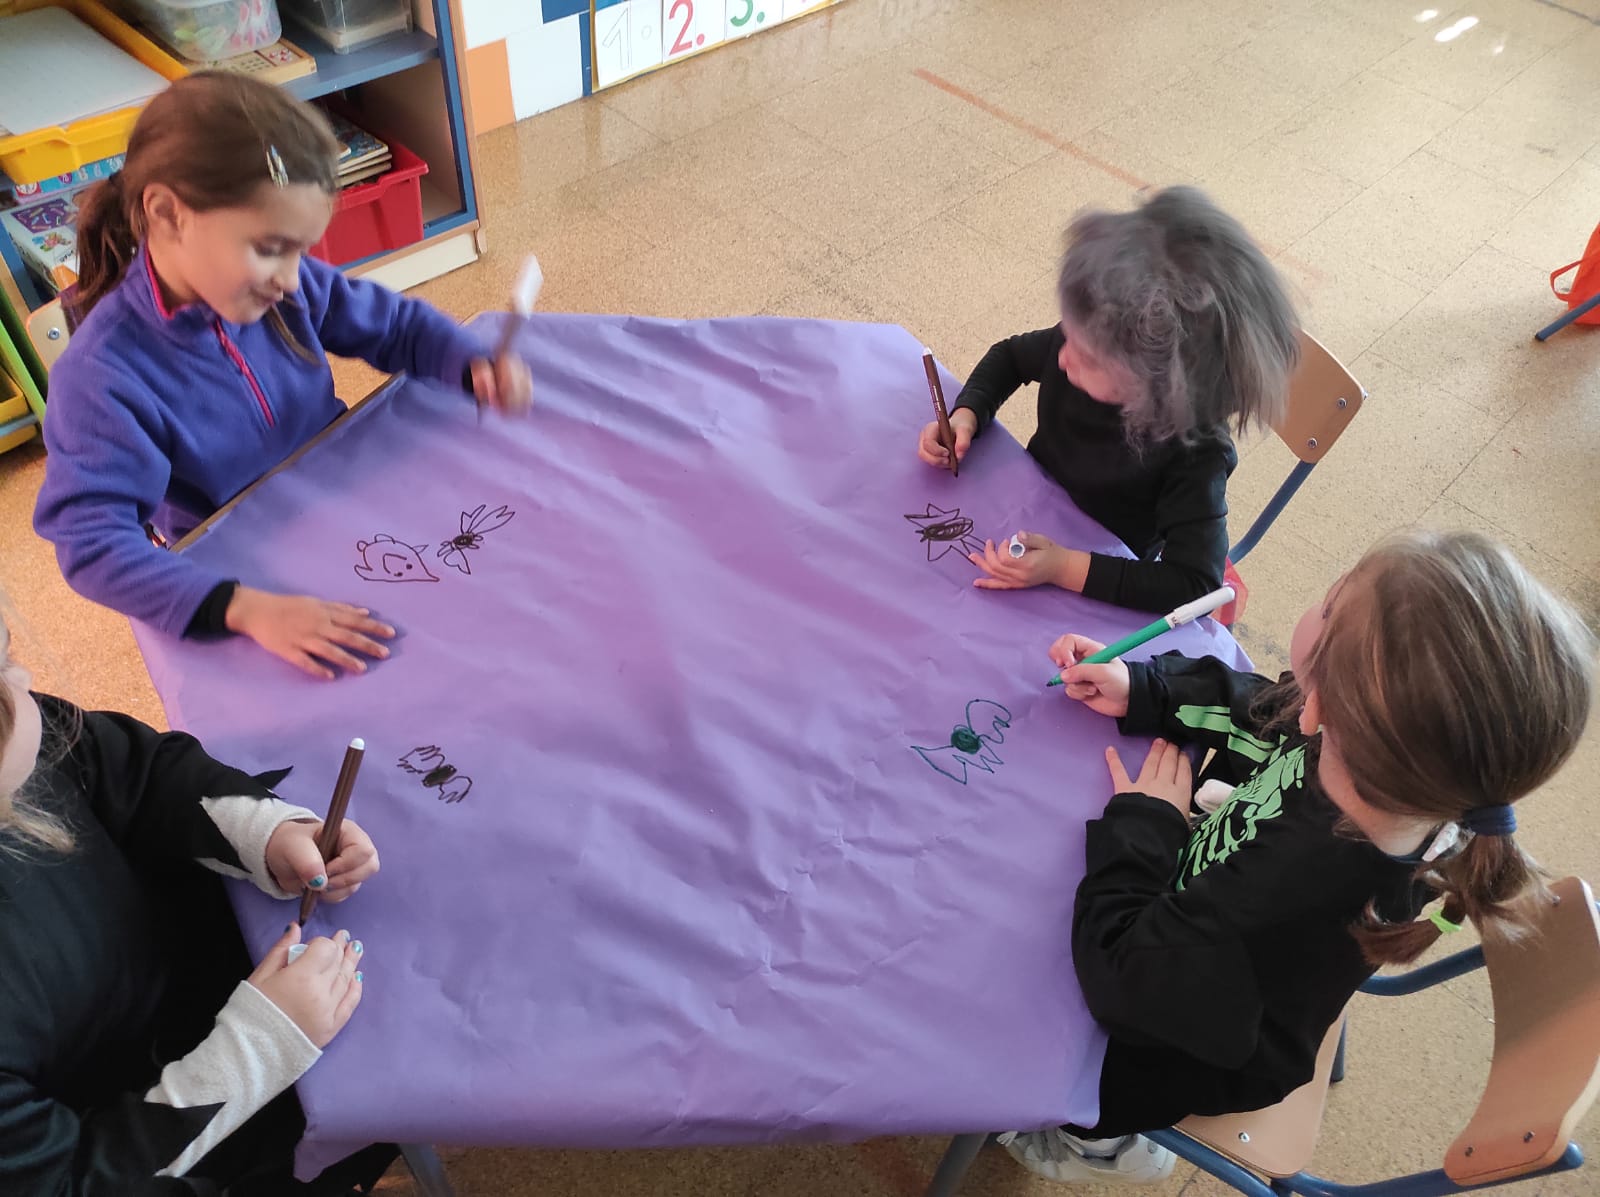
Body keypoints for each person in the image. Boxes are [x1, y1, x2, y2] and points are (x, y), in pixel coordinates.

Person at [1001, 530, 1596, 1184]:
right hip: (1207, 955)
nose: (1319, 602)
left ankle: (1097, 1143)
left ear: (1326, 706)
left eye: (1331, 605)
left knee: (1017, 1005)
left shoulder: (1286, 886)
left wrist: (1147, 824)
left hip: (1181, 1047)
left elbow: (1118, 976)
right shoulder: (1407, 781)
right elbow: (1265, 710)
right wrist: (1145, 689)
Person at [33, 72, 533, 681]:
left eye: (301, 249)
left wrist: (468, 363)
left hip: (349, 499)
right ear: (166, 215)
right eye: (271, 248)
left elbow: (394, 326)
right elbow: (93, 546)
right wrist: (245, 609)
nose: (294, 278)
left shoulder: (284, 286)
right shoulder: (100, 380)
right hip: (248, 571)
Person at [0, 617, 390, 1194]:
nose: (24, 680)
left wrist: (269, 833)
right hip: (175, 1124)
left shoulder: (21, 734)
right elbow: (70, 1182)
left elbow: (127, 767)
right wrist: (259, 1048)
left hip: (210, 969)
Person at [918, 186, 1299, 614]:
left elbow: (1195, 585)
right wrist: (966, 415)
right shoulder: (1091, 341)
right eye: (1068, 334)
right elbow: (1009, 357)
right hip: (1031, 506)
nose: (1062, 356)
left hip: (1098, 571)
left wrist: (1063, 567)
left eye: (1086, 357)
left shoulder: (1196, 453)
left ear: (1157, 388)